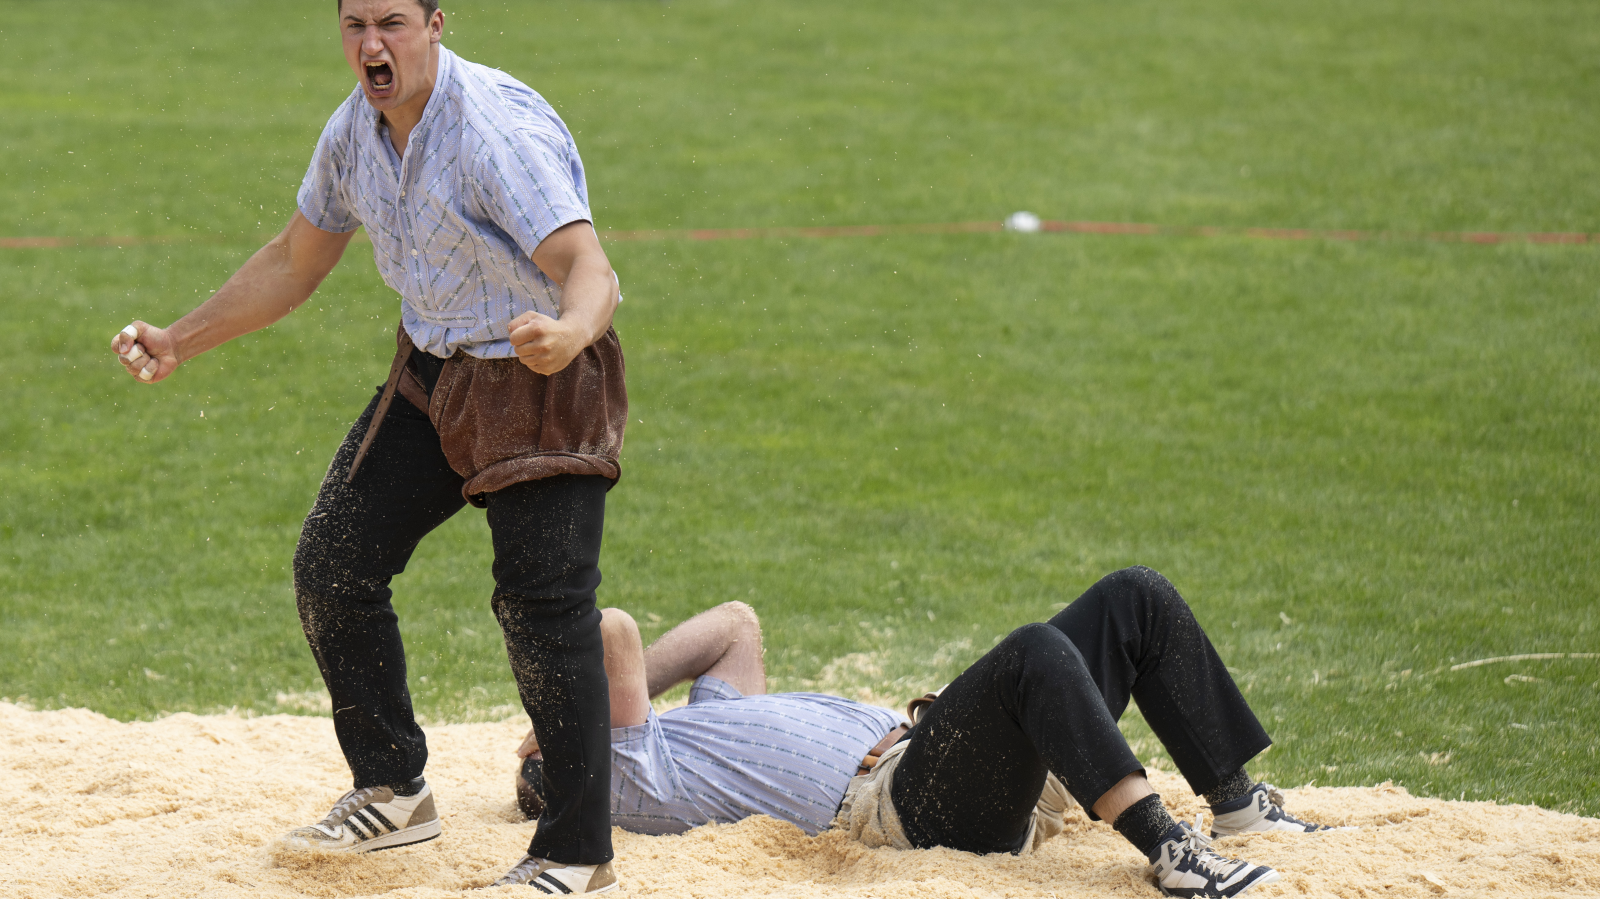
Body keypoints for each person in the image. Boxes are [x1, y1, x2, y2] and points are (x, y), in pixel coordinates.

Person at [108, 1, 623, 891]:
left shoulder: (493, 132)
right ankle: (392, 790)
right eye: (354, 25)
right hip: (433, 370)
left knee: (544, 611)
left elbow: (591, 267)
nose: (371, 45)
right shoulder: (355, 132)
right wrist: (179, 339)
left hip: (543, 377)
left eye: (391, 21)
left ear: (435, 22)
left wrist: (571, 333)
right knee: (333, 565)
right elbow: (295, 260)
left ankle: (576, 854)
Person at [516, 568, 1344, 898]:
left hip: (960, 763)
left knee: (1137, 597)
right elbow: (612, 630)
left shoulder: (703, 723)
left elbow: (735, 624)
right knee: (1031, 652)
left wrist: (574, 713)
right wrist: (552, 721)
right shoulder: (629, 773)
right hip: (902, 807)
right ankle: (1168, 847)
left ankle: (1237, 805)